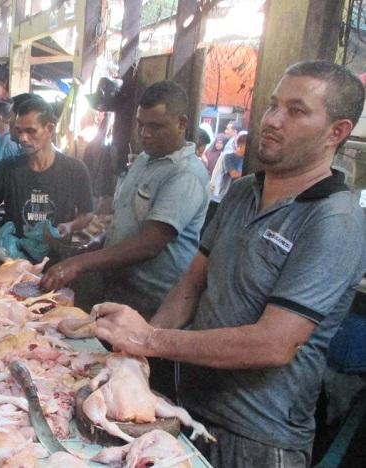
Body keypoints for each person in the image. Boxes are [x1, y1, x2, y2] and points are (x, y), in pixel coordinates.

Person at [93, 60, 366, 468]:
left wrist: (150, 340)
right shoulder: (240, 193)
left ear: (337, 132)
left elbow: (274, 343)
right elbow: (191, 284)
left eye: (296, 110)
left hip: (257, 435)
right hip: (188, 408)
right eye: (273, 105)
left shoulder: (333, 221)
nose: (272, 120)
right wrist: (136, 354)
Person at [40, 81, 209, 397]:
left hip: (156, 304)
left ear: (182, 124)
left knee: (135, 386)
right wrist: (95, 245)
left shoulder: (185, 174)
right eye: (141, 125)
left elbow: (150, 243)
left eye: (155, 127)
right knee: (100, 375)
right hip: (122, 289)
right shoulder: (146, 160)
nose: (145, 134)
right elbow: (126, 225)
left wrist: (80, 262)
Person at [0, 97, 93, 253]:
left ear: (49, 129)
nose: (22, 138)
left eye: (30, 131)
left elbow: (87, 213)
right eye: (19, 131)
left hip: (56, 261)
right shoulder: (7, 169)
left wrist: (71, 226)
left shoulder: (75, 170)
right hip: (11, 260)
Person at [209, 131, 247, 203]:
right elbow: (234, 174)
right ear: (241, 145)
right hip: (222, 197)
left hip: (236, 197)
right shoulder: (229, 157)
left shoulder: (247, 159)